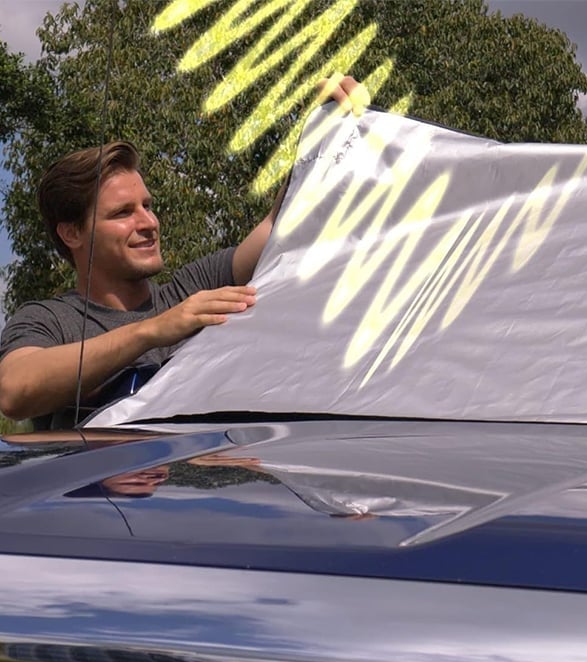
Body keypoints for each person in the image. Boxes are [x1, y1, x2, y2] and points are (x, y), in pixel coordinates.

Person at [0, 75, 367, 427]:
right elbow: (14, 391)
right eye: (123, 213)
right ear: (72, 233)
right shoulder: (49, 320)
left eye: (147, 206)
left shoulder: (192, 289)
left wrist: (319, 136)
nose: (148, 222)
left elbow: (280, 225)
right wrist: (152, 331)